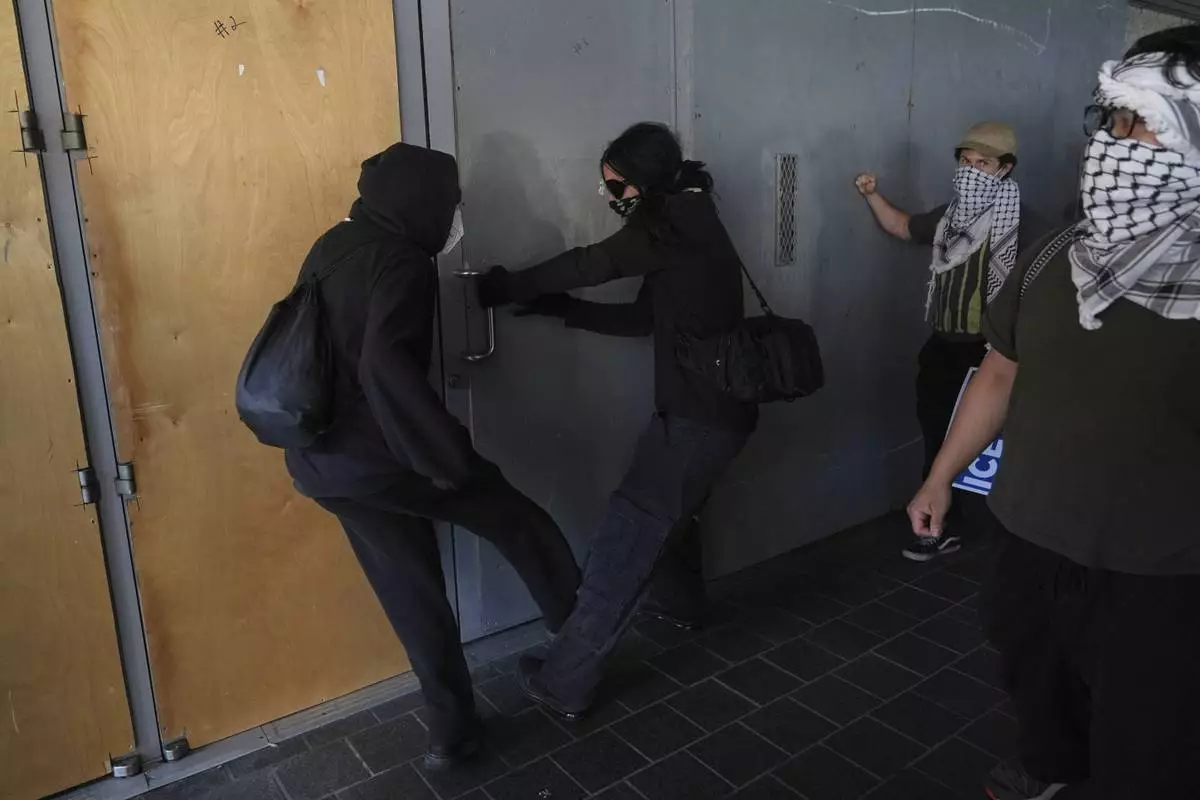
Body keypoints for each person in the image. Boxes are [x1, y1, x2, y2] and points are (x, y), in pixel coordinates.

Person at [907, 26, 1200, 800]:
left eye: (1144, 122)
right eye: (1111, 118)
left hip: (1163, 574)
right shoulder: (1055, 254)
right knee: (1036, 686)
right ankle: (1051, 766)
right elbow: (1000, 372)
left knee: (1149, 743)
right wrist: (940, 476)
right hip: (1029, 541)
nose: (1116, 142)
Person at [284, 143, 581, 768]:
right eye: (451, 204)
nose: (454, 218)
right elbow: (385, 367)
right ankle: (584, 654)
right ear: (421, 202)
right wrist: (449, 459)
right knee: (520, 522)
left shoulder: (334, 244)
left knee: (411, 590)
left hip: (322, 459)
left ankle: (453, 733)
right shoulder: (401, 260)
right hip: (383, 455)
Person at [478, 122, 757, 718]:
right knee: (669, 516)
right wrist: (562, 310)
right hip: (715, 413)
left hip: (697, 418)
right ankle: (680, 604)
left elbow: (592, 263)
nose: (611, 199)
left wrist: (507, 287)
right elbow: (641, 321)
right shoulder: (689, 219)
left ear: (646, 183)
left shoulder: (673, 221)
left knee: (627, 541)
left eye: (616, 187)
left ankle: (564, 682)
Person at [855, 122, 1041, 562]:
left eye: (983, 164)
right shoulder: (950, 217)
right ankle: (940, 525)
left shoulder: (1027, 224)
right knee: (938, 433)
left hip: (993, 357)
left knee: (988, 445)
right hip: (943, 349)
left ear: (1005, 169)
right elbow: (903, 226)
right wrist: (871, 195)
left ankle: (995, 530)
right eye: (965, 161)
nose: (971, 171)